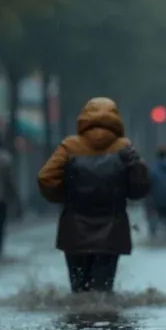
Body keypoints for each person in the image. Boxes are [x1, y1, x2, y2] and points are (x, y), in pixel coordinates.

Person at [36, 97, 150, 293]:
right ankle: (103, 322)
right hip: (112, 231)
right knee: (102, 293)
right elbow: (140, 188)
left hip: (74, 230)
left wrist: (65, 197)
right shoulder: (124, 147)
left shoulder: (69, 146)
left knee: (79, 292)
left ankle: (80, 322)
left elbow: (46, 178)